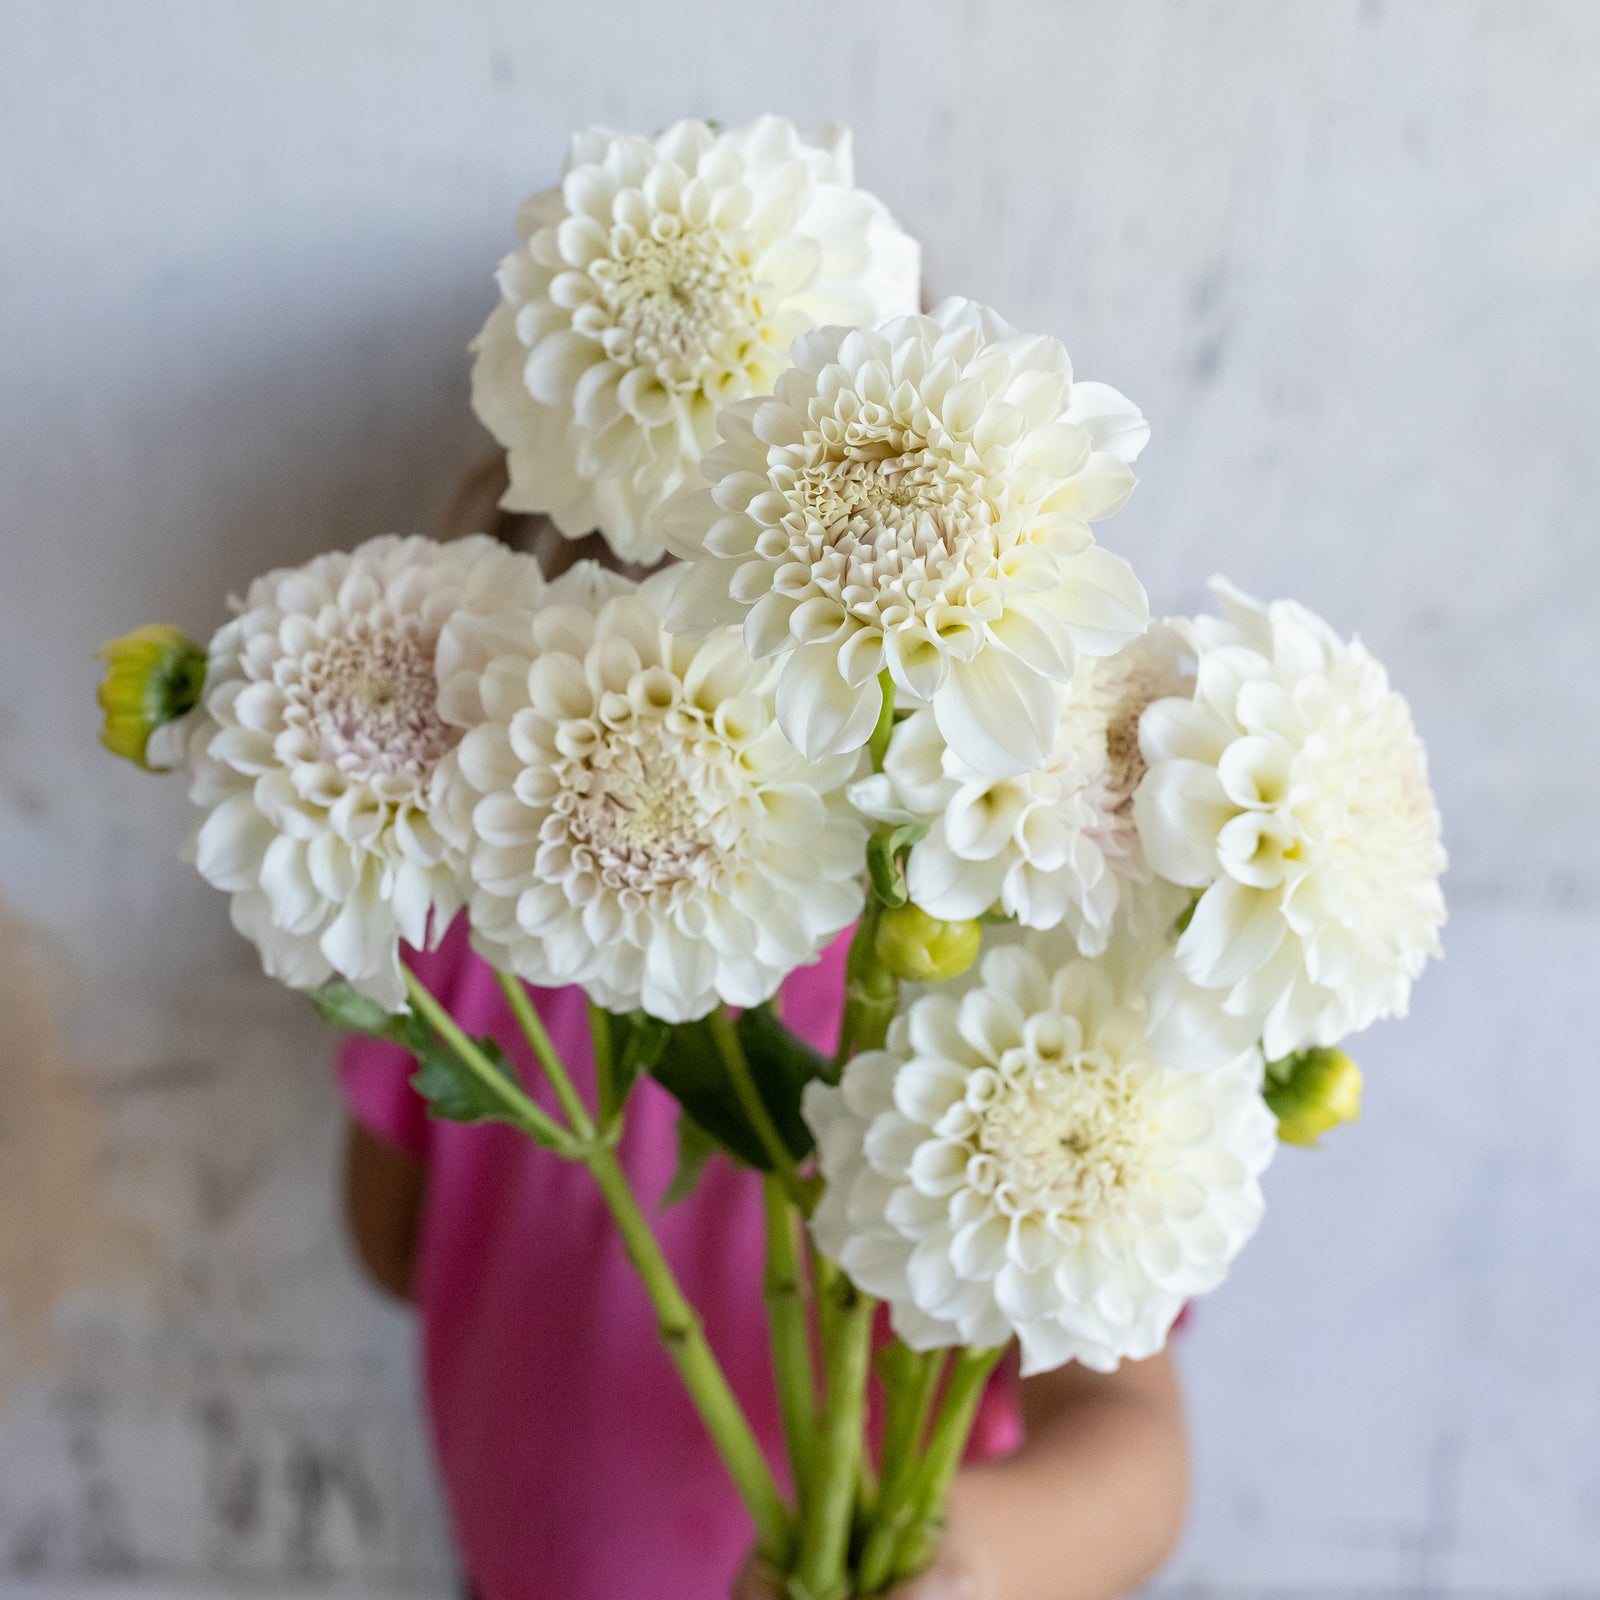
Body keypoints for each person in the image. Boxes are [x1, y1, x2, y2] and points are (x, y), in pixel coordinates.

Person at [341, 457, 1190, 1600]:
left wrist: (971, 1560)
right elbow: (391, 1239)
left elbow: (1121, 1422)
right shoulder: (478, 916)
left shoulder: (1006, 978)